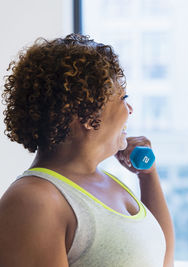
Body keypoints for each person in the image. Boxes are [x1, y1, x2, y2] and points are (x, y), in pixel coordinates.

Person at [0, 34, 174, 267]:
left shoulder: (108, 183)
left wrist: (147, 175)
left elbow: (162, 260)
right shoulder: (33, 201)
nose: (130, 109)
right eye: (123, 98)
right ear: (91, 117)